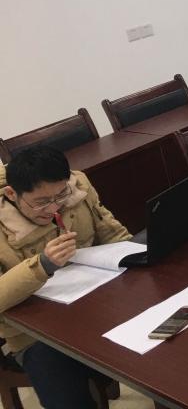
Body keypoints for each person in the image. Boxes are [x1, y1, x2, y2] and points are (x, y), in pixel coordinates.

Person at [0, 146, 131, 408]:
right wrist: (42, 265)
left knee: (159, 351)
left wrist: (135, 254)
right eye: (41, 202)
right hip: (33, 333)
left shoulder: (77, 186)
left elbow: (113, 234)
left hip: (93, 303)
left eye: (61, 195)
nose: (54, 208)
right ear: (12, 193)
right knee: (63, 385)